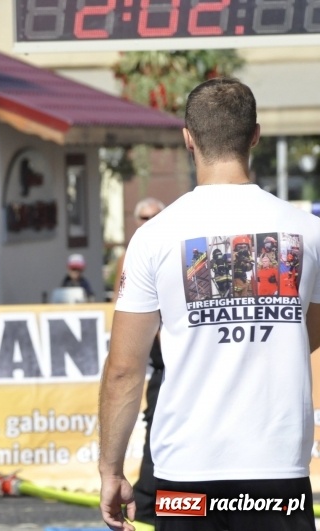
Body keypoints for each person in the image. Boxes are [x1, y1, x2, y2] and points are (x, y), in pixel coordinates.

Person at [99, 77, 320, 531]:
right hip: (278, 470)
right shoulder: (309, 233)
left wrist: (111, 469)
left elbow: (125, 368)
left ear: (187, 138)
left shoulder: (154, 236)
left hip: (187, 472)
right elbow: (308, 336)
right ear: (255, 136)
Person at [112, 198, 165, 526]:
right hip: (162, 362)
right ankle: (147, 511)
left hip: (179, 357)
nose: (148, 221)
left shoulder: (172, 244)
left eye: (154, 216)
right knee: (155, 439)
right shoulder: (134, 254)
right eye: (143, 216)